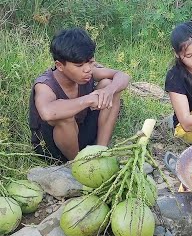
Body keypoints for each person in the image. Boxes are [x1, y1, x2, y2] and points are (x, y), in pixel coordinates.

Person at [29, 27, 130, 163]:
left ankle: (100, 152)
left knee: (108, 84)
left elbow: (122, 76)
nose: (87, 69)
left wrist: (109, 90)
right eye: (79, 65)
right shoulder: (45, 84)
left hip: (81, 136)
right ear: (59, 65)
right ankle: (78, 165)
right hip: (53, 148)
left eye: (90, 62)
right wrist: (89, 99)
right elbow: (48, 112)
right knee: (64, 117)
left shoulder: (88, 70)